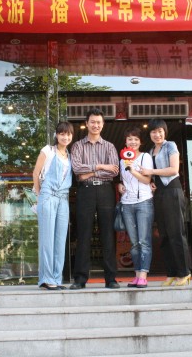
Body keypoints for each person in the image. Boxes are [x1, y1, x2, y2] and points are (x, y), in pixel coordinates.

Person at [69, 108, 120, 289]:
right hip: (86, 191)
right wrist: (101, 166)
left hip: (106, 191)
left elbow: (114, 171)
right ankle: (80, 279)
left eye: (99, 122)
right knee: (84, 234)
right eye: (93, 122)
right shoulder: (77, 146)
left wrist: (90, 171)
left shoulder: (110, 146)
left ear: (103, 124)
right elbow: (77, 169)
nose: (96, 125)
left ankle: (111, 278)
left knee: (108, 234)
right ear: (86, 123)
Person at [141, 118, 191, 286]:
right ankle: (171, 273)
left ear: (165, 131)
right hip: (160, 193)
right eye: (154, 132)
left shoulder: (170, 145)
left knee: (176, 233)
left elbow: (173, 169)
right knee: (164, 235)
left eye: (160, 131)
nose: (157, 134)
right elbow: (151, 174)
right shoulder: (150, 151)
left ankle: (184, 272)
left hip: (173, 191)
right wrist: (152, 181)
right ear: (150, 134)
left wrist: (151, 171)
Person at [32, 121, 74, 290]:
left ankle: (56, 278)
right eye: (62, 134)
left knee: (60, 240)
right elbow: (36, 173)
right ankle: (46, 278)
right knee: (47, 239)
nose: (65, 137)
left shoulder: (70, 156)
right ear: (56, 135)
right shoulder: (48, 150)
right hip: (48, 196)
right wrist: (40, 195)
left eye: (68, 134)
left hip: (63, 198)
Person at [117, 127, 154, 288]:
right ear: (125, 142)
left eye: (136, 139)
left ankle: (143, 275)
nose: (133, 142)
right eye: (129, 139)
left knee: (143, 241)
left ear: (141, 142)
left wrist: (132, 170)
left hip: (144, 202)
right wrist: (119, 186)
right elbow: (122, 180)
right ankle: (137, 275)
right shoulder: (121, 160)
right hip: (127, 203)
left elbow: (147, 180)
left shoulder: (145, 157)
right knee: (133, 243)